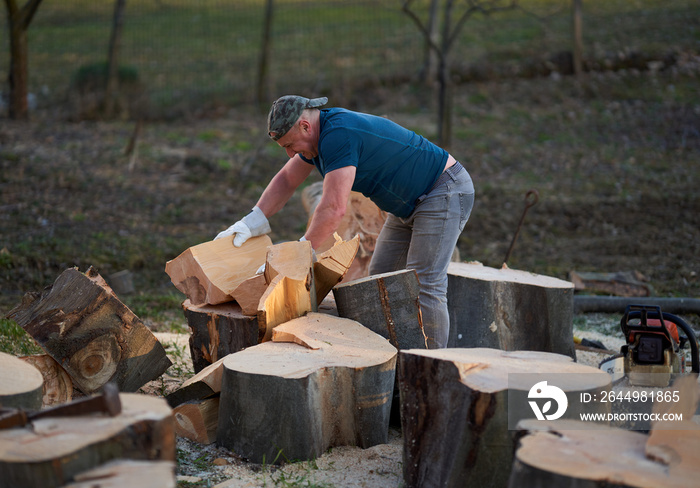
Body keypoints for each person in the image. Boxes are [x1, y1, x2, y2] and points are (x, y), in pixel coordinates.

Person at [216, 95, 474, 348]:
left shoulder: (338, 135)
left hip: (443, 190)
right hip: (406, 205)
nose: (289, 153)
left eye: (290, 145)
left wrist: (300, 252)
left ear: (305, 126)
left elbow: (333, 208)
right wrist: (253, 220)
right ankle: (392, 356)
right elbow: (287, 179)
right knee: (381, 278)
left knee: (424, 283)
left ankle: (431, 370)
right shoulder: (316, 137)